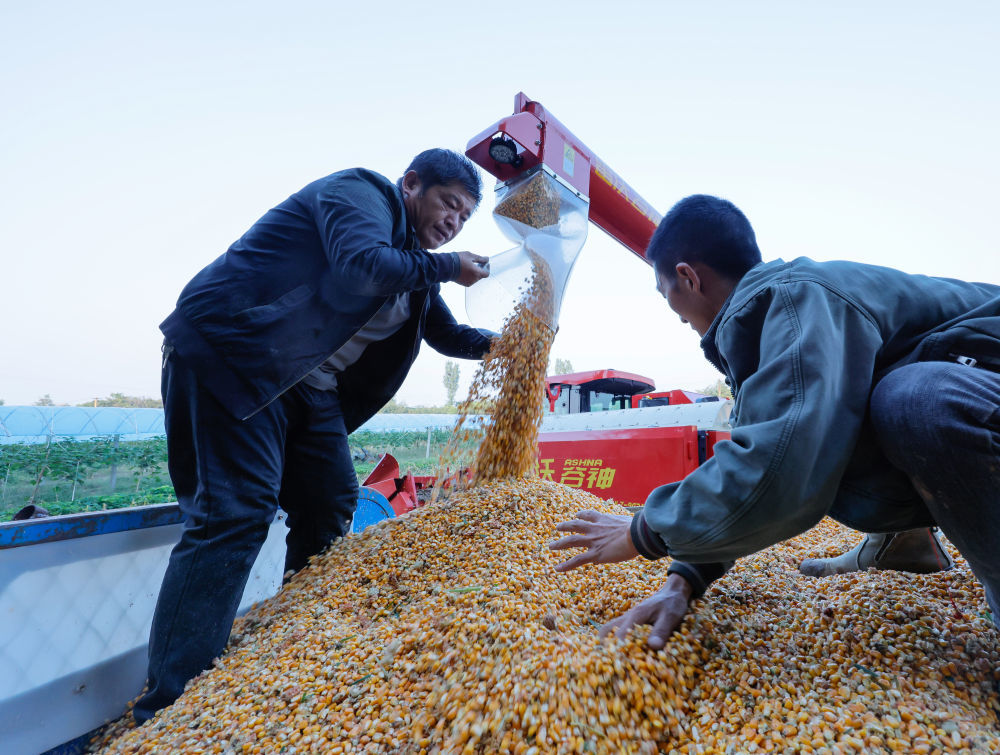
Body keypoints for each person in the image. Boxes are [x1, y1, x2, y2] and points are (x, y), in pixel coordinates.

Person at [134, 149, 493, 723]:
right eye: (448, 204)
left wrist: (508, 345)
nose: (453, 222)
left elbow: (445, 333)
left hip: (306, 385)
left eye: (464, 217)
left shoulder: (416, 269)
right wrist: (450, 264)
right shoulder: (361, 195)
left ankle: (294, 646)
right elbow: (359, 264)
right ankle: (171, 703)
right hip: (236, 354)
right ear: (412, 185)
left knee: (330, 503)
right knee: (234, 513)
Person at [550, 194, 1000, 648]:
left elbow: (778, 468)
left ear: (686, 277)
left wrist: (642, 530)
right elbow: (755, 451)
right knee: (851, 412)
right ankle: (905, 546)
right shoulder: (773, 329)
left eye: (664, 290)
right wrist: (683, 579)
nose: (672, 309)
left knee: (913, 401)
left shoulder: (793, 301)